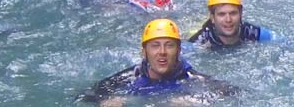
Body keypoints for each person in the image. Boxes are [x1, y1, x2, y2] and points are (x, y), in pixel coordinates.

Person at [80, 19, 235, 103]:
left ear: (178, 51)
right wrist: (105, 101)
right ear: (144, 52)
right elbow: (84, 97)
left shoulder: (191, 78)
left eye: (169, 45)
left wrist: (197, 101)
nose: (162, 52)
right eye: (155, 46)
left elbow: (234, 93)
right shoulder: (130, 77)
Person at [187, 0, 278, 48]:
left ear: (241, 14)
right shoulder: (202, 39)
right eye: (221, 14)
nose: (228, 19)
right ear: (212, 18)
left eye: (233, 13)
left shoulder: (251, 33)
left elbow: (281, 40)